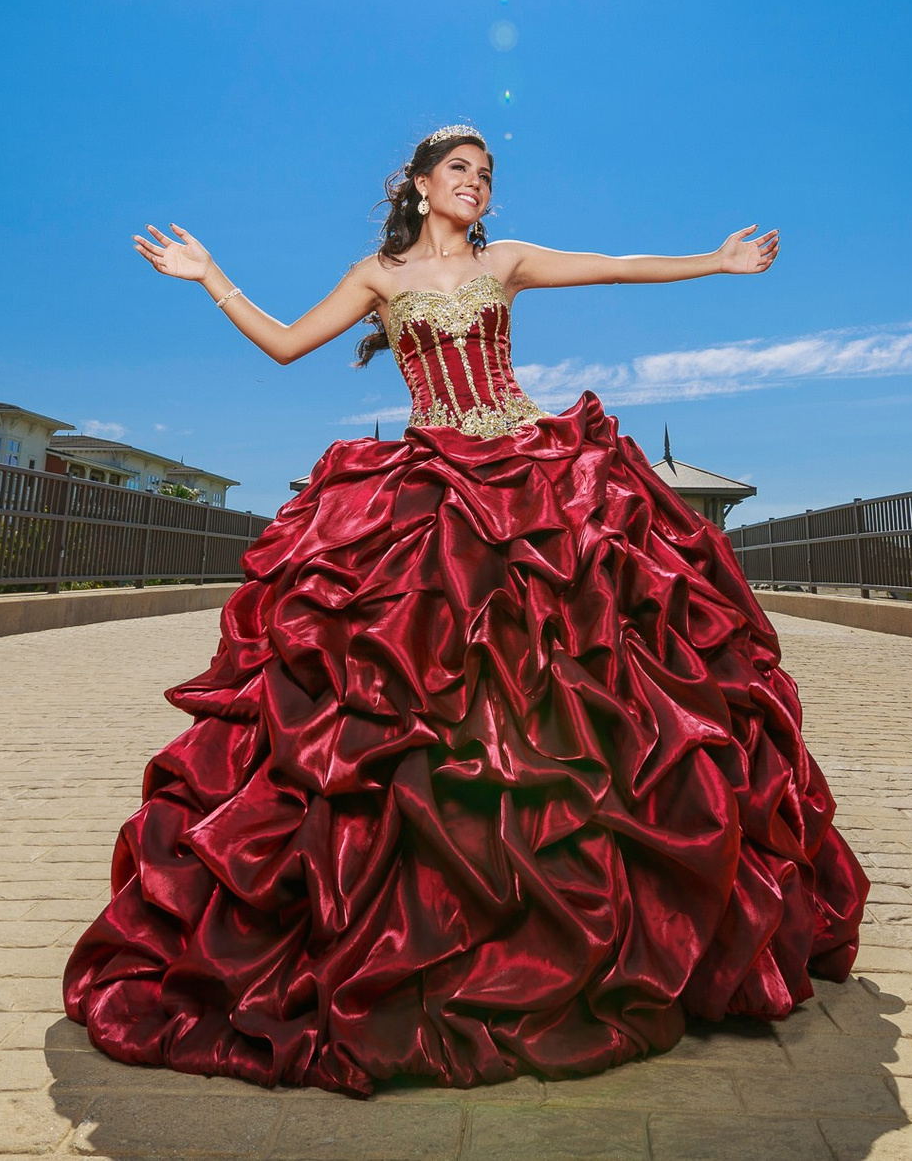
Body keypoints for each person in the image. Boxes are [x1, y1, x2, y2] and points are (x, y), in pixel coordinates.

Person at [64, 123, 866, 1097]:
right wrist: (211, 276)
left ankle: (597, 913)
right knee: (423, 691)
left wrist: (719, 262)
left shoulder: (510, 261)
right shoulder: (378, 276)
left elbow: (613, 268)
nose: (476, 186)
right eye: (460, 171)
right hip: (431, 480)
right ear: (419, 183)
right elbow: (283, 345)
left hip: (528, 471)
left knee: (578, 684)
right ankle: (447, 917)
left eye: (486, 175)